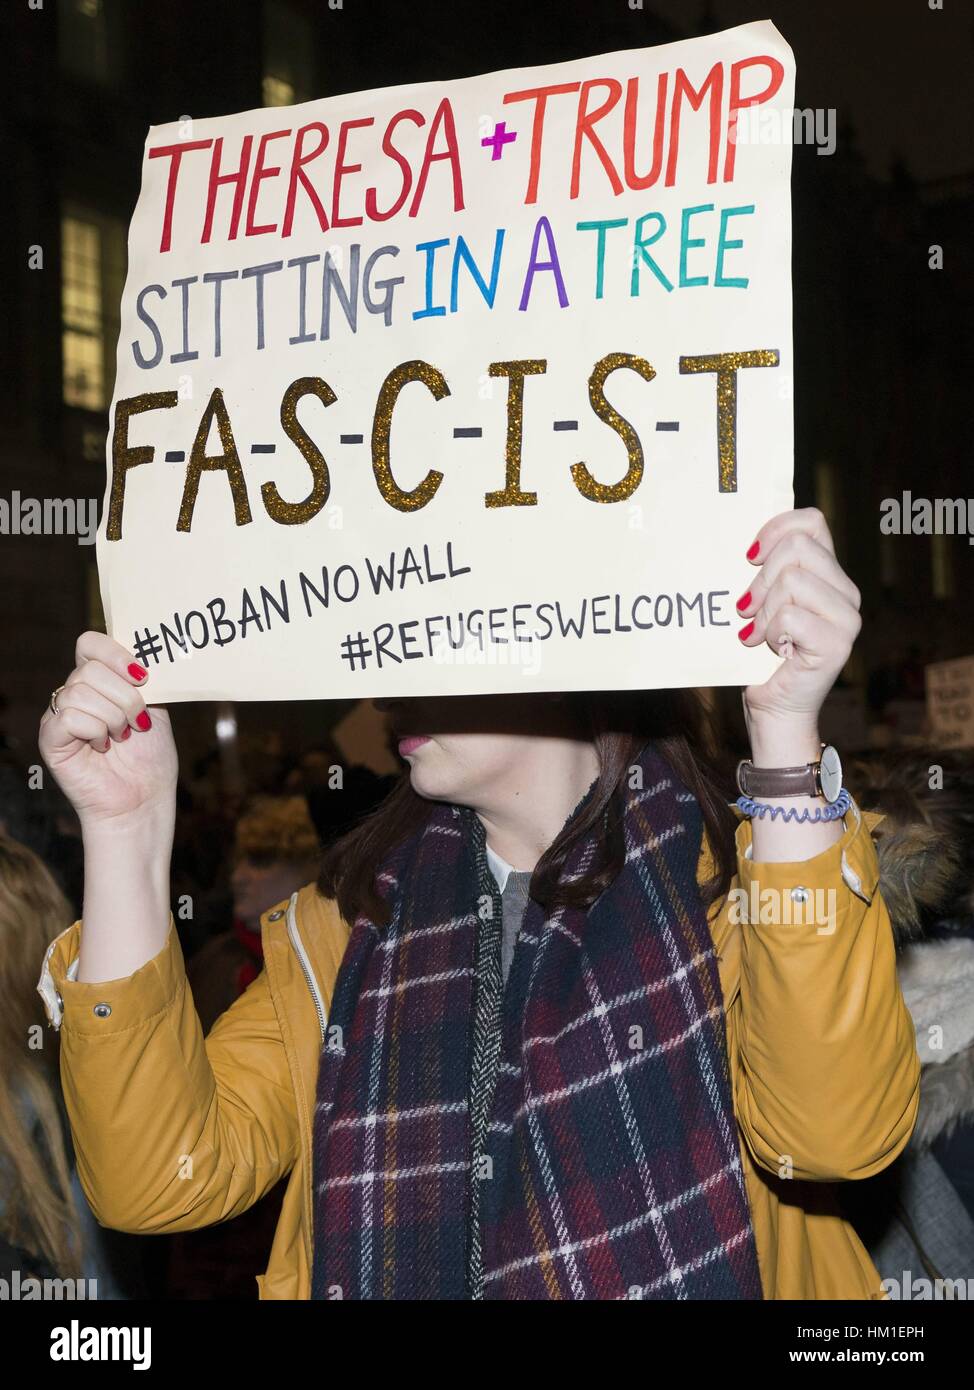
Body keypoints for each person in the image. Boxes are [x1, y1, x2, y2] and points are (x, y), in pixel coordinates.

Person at [36, 507, 921, 1300]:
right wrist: (123, 827)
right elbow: (156, 1181)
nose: (385, 678)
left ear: (565, 628)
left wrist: (783, 737)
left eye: (430, 627)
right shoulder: (345, 934)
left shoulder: (745, 894)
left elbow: (834, 1137)